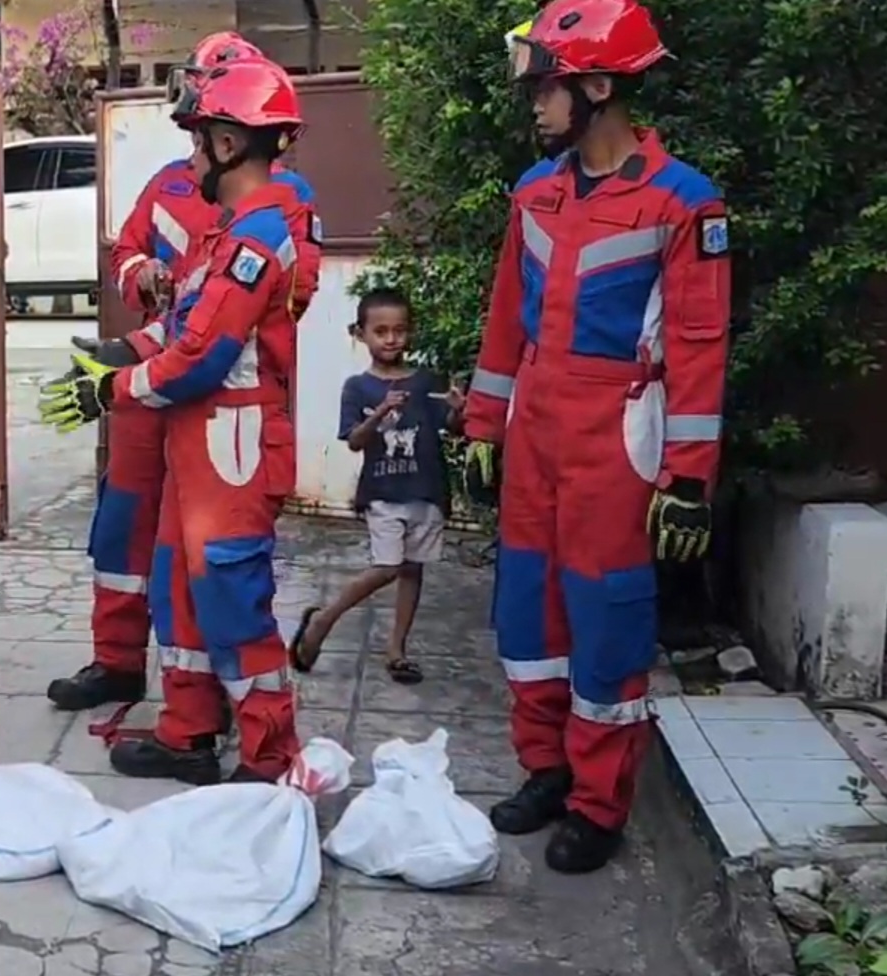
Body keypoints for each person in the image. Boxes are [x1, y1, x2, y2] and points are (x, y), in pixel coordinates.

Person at [464, 0, 730, 874]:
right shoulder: (533, 192)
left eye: (545, 87)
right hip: (534, 421)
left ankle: (596, 801)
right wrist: (481, 423)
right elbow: (507, 318)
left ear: (598, 86)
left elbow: (696, 346)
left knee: (604, 618)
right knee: (526, 611)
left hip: (618, 433)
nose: (534, 105)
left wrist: (686, 477)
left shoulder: (682, 202)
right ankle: (544, 770)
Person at [40, 58, 311, 785]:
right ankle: (187, 734)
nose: (187, 157)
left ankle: (268, 755)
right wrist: (109, 358)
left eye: (197, 141)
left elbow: (202, 356)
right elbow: (180, 327)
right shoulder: (231, 232)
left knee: (231, 605)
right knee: (179, 591)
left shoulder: (260, 236)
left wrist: (113, 390)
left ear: (228, 145)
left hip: (232, 442)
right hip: (200, 438)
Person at [289, 289, 461, 684]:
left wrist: (457, 409)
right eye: (380, 331)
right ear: (360, 334)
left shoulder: (425, 381)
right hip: (383, 493)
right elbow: (354, 441)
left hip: (427, 488)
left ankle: (397, 650)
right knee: (388, 567)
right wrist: (381, 412)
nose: (390, 339)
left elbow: (450, 428)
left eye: (399, 330)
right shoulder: (358, 388)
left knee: (413, 569)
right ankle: (323, 621)